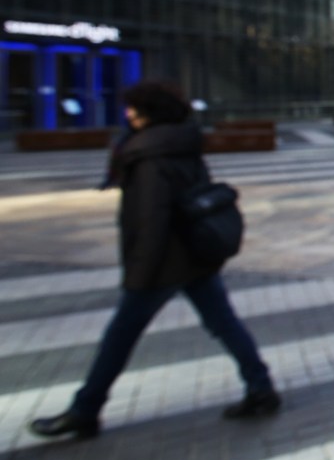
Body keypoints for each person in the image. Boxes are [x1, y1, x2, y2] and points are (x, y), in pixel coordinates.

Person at [29, 81, 281, 440]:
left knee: (120, 336)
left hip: (164, 260)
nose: (128, 114)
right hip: (194, 253)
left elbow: (151, 218)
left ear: (149, 112)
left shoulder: (149, 155)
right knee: (223, 323)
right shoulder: (181, 142)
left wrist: (140, 273)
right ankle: (261, 387)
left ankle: (85, 410)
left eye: (133, 108)